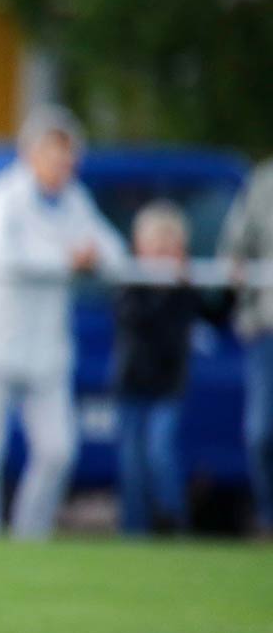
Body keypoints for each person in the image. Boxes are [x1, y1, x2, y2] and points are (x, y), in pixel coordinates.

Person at [0, 107, 126, 539]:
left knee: (58, 449)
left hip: (45, 349)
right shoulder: (3, 195)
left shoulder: (76, 201)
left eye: (70, 159)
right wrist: (68, 260)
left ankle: (30, 536)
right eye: (56, 156)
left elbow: (114, 253)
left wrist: (94, 258)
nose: (65, 166)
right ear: (31, 153)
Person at [112, 202, 216, 535]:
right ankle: (134, 528)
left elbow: (207, 316)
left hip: (168, 384)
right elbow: (134, 321)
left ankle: (173, 520)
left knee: (160, 453)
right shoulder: (131, 284)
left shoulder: (186, 291)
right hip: (131, 383)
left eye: (169, 248)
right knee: (131, 461)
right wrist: (159, 290)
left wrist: (181, 287)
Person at [221, 157, 273, 533]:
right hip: (266, 328)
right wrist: (235, 265)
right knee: (261, 433)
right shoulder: (263, 182)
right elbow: (234, 248)